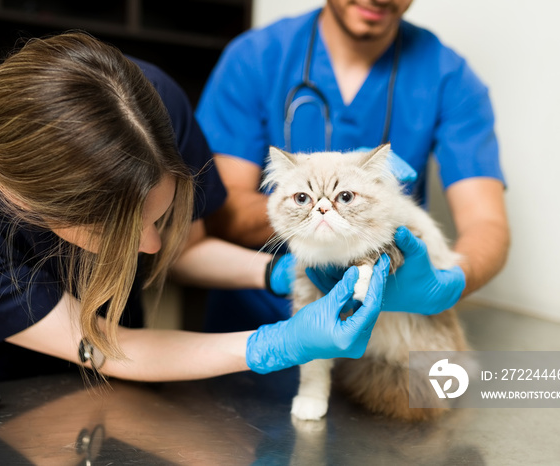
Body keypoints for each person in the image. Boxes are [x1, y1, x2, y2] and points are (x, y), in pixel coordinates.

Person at [0, 32, 391, 395]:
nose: (154, 250)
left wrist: (288, 272)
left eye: (158, 218)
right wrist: (279, 342)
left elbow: (187, 249)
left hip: (126, 350)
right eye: (120, 236)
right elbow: (107, 347)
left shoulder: (147, 105)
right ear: (31, 210)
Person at [195, 0, 510, 331]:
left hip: (385, 318)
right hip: (256, 319)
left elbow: (486, 222)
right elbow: (219, 208)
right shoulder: (256, 56)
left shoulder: (449, 76)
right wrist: (325, 227)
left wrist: (449, 285)